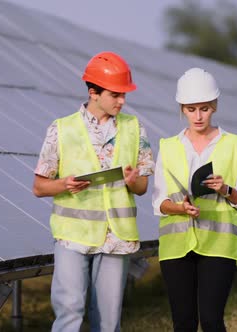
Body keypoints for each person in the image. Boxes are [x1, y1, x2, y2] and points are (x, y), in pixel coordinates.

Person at [33, 51, 154, 332]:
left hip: (116, 237)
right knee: (69, 312)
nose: (122, 101)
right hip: (72, 235)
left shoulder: (135, 128)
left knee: (109, 322)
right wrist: (64, 184)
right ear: (94, 93)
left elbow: (142, 187)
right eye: (116, 95)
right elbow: (39, 187)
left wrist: (132, 180)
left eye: (125, 95)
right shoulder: (61, 129)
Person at [152, 68, 237, 332]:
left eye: (204, 108)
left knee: (211, 320)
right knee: (183, 323)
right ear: (182, 108)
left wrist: (225, 189)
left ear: (215, 106)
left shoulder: (234, 144)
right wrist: (180, 208)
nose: (198, 116)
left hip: (218, 244)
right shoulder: (168, 146)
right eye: (191, 109)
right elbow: (159, 202)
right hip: (177, 246)